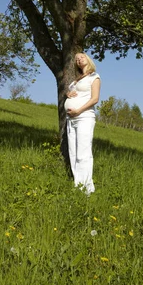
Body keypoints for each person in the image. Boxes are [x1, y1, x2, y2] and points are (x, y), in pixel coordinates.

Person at [64, 52, 101, 194]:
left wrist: (78, 110)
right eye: (76, 59)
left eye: (82, 57)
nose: (79, 59)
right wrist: (68, 94)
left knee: (83, 153)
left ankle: (87, 189)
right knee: (73, 152)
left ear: (88, 60)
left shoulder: (94, 77)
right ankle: (78, 185)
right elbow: (73, 94)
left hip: (84, 117)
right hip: (71, 119)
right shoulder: (76, 81)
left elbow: (94, 99)